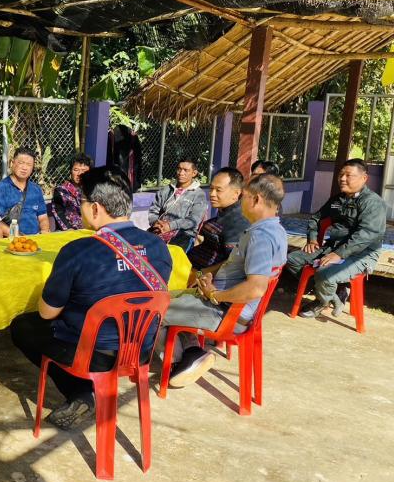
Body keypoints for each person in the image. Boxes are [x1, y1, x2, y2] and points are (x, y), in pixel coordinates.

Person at [10, 166, 172, 429]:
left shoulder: (78, 251)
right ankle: (83, 392)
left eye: (82, 202)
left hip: (94, 355)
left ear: (95, 208)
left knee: (23, 326)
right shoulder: (159, 247)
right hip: (140, 350)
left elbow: (47, 312)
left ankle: (81, 391)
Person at [163, 173, 287, 388]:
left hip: (226, 313)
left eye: (244, 196)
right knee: (167, 297)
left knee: (151, 311)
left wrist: (215, 294)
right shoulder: (275, 229)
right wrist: (209, 277)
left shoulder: (260, 237)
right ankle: (192, 353)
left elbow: (256, 288)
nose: (241, 202)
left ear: (256, 199)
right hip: (224, 305)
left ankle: (181, 360)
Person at [287, 159, 386, 318]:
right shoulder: (337, 200)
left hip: (361, 253)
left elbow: (366, 235)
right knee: (293, 259)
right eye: (341, 175)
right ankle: (332, 295)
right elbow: (316, 218)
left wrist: (339, 254)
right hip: (332, 248)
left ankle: (321, 301)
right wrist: (312, 239)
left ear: (364, 178)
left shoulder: (373, 203)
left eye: (348, 175)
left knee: (325, 273)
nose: (342, 179)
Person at [188, 167, 250, 271]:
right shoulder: (224, 213)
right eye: (211, 189)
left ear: (236, 193)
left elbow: (234, 261)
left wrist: (203, 273)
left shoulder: (238, 222)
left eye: (218, 190)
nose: (212, 194)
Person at [147, 158, 208, 249]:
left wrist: (170, 226)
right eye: (179, 169)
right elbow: (154, 209)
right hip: (159, 229)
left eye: (186, 170)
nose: (181, 173)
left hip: (184, 234)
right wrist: (155, 222)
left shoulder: (199, 195)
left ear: (194, 173)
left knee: (169, 254)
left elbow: (193, 220)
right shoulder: (166, 190)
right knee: (140, 248)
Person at [0, 147, 50, 236]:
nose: (24, 168)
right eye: (21, 163)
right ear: (12, 163)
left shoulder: (36, 189)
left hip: (36, 238)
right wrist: (18, 237)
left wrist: (44, 231)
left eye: (29, 164)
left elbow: (43, 217)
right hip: (11, 239)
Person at [50, 153, 93, 231]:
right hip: (69, 231)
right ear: (70, 171)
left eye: (84, 170)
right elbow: (58, 213)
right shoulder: (61, 191)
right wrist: (69, 229)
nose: (79, 174)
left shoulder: (94, 190)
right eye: (76, 170)